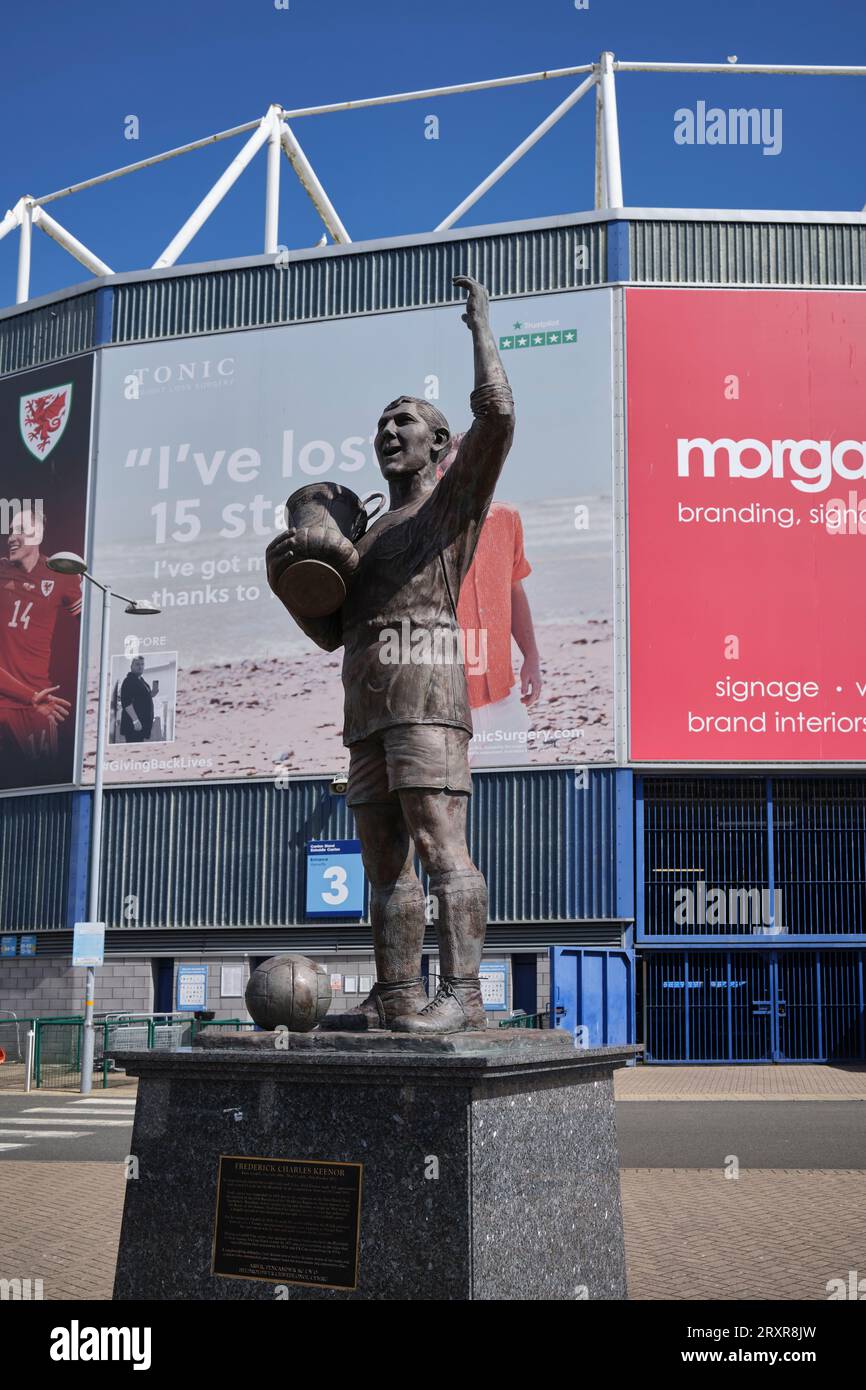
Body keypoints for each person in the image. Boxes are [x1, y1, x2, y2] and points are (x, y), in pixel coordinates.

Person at [267, 275, 515, 1033]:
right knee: (383, 860)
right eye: (381, 423)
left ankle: (464, 994)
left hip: (428, 693)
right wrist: (295, 579)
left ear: (438, 444)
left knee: (441, 841)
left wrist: (480, 329)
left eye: (404, 421)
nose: (389, 431)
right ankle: (398, 994)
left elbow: (497, 419)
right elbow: (328, 630)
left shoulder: (450, 506)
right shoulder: (362, 538)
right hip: (366, 699)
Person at [439, 433, 542, 765]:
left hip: (502, 695)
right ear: (438, 474)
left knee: (512, 800)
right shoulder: (421, 531)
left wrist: (531, 657)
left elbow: (515, 590)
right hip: (446, 705)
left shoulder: (506, 519)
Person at [0, 507, 79, 773]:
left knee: (42, 786)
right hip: (5, 702)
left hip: (41, 705)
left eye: (20, 530)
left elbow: (88, 625)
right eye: (10, 530)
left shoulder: (62, 575)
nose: (12, 536)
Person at [119, 656, 155, 742]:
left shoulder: (140, 680)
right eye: (137, 664)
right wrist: (135, 721)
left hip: (141, 724)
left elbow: (141, 698)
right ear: (131, 666)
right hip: (134, 725)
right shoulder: (129, 681)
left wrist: (152, 694)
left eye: (142, 664)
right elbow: (126, 702)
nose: (140, 666)